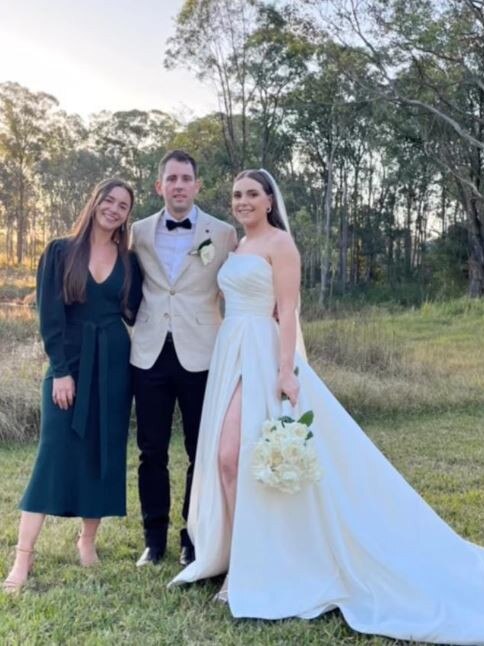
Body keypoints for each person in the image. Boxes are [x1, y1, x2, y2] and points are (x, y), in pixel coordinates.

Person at [171, 169, 484, 645]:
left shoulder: (281, 245)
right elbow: (214, 298)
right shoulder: (231, 246)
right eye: (236, 195)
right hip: (228, 352)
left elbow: (289, 310)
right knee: (229, 463)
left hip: (261, 353)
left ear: (270, 200)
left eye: (252, 194)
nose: (243, 201)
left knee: (235, 459)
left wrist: (284, 370)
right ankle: (236, 558)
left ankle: (251, 570)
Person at [2, 178, 142, 594]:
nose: (114, 209)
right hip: (71, 362)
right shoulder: (61, 250)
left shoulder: (129, 259)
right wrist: (61, 370)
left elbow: (136, 311)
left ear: (127, 215)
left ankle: (88, 543)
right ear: (94, 200)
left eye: (123, 205)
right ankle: (22, 558)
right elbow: (49, 316)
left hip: (115, 364)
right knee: (53, 453)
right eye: (109, 200)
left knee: (103, 449)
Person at [130, 150, 237, 567]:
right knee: (150, 451)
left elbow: (249, 275)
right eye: (171, 178)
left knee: (201, 450)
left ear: (197, 185)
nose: (178, 185)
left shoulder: (224, 233)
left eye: (185, 178)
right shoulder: (137, 231)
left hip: (203, 354)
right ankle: (153, 542)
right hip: (149, 353)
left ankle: (193, 539)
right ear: (159, 186)